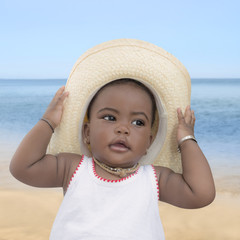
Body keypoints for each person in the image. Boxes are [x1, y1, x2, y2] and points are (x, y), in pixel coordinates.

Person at [10, 39, 215, 240]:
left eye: (138, 123)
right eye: (110, 117)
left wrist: (186, 139)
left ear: (149, 142)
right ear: (87, 132)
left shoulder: (153, 178)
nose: (123, 129)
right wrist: (48, 122)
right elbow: (22, 167)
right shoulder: (73, 168)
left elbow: (201, 193)